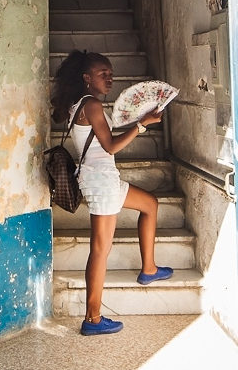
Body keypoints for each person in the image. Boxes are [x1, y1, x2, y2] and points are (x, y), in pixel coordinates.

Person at [51, 50, 173, 336]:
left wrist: (139, 119)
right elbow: (111, 146)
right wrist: (143, 125)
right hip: (101, 183)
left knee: (150, 204)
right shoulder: (91, 104)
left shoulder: (82, 104)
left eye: (110, 73)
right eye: (103, 74)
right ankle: (92, 319)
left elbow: (106, 138)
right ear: (86, 78)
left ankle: (150, 269)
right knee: (100, 250)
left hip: (105, 180)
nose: (110, 78)